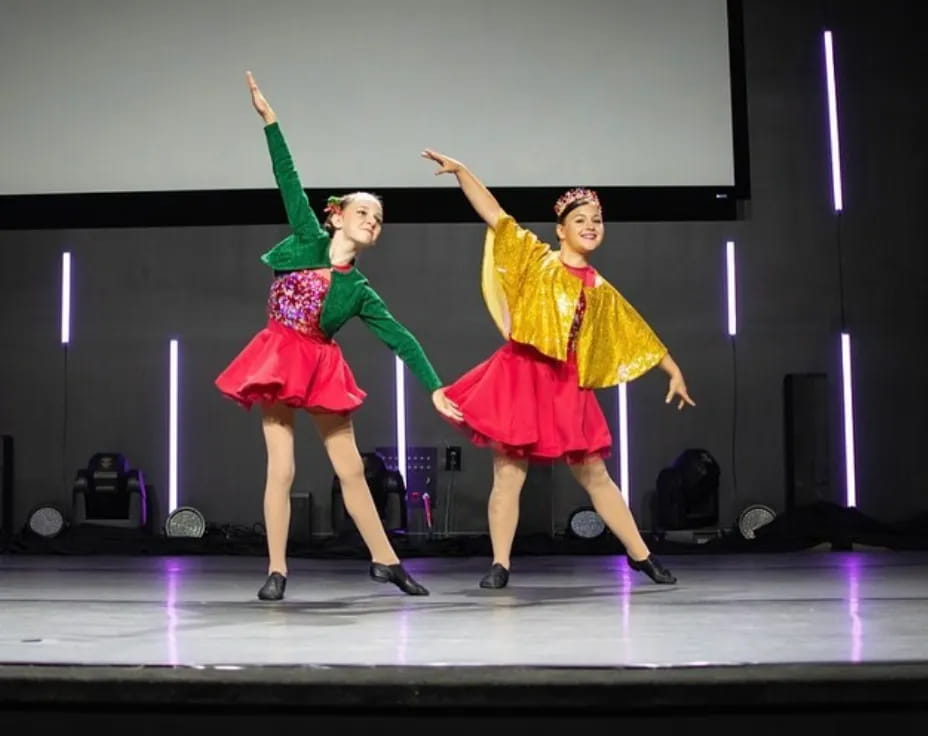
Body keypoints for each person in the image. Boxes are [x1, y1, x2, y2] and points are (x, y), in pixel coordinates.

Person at [216, 72, 462, 601]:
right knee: (280, 468)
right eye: (363, 212)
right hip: (278, 356)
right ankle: (277, 569)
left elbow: (403, 338)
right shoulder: (307, 235)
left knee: (350, 468)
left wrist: (435, 387)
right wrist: (270, 120)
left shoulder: (360, 291)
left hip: (320, 366)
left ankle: (386, 560)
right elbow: (287, 176)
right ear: (337, 217)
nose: (372, 221)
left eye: (379, 217)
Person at [421, 148, 695, 588]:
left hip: (567, 383)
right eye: (581, 219)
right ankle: (500, 564)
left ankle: (641, 556)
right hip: (521, 374)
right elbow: (495, 215)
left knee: (595, 475)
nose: (590, 226)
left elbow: (635, 330)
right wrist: (463, 173)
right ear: (561, 229)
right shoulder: (535, 258)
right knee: (508, 475)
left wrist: (672, 369)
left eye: (597, 220)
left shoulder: (600, 289)